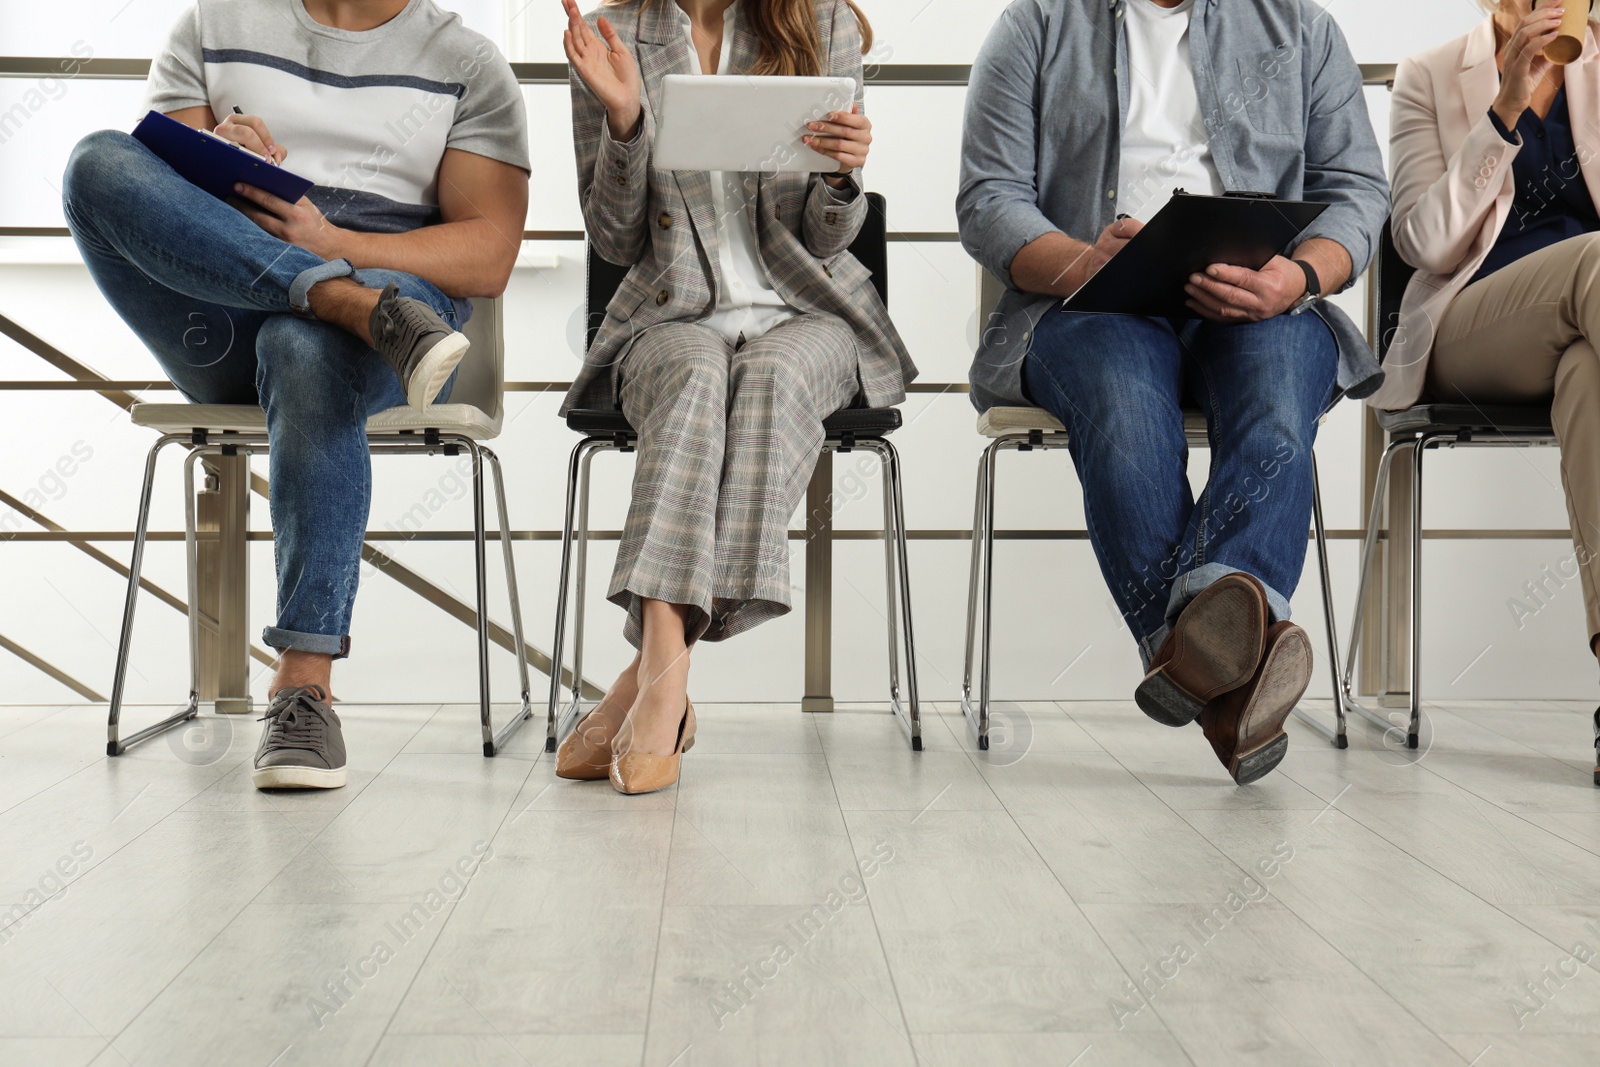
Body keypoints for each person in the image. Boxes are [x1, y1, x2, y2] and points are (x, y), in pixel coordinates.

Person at [61, 0, 530, 790]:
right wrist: (210, 155)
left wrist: (335, 247)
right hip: (222, 314)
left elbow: (488, 253)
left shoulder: (470, 63)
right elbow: (153, 196)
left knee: (300, 343)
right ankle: (333, 299)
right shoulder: (212, 24)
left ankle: (303, 686)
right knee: (94, 163)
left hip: (393, 322)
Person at [958, 0, 1389, 784]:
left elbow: (1358, 189)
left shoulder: (1302, 27)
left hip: (1261, 297)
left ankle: (1197, 654)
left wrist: (1297, 274)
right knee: (1126, 416)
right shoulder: (1036, 25)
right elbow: (989, 199)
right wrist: (1086, 262)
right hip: (1092, 302)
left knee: (1276, 411)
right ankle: (1240, 671)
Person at [556, 0, 914, 795]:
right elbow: (615, 240)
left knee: (772, 378)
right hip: (671, 312)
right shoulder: (614, 37)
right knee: (696, 375)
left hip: (809, 311)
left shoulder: (821, 26)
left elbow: (829, 237)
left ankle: (652, 680)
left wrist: (841, 175)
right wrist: (622, 121)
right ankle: (664, 679)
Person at [1376, 0, 1600, 787]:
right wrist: (1504, 108)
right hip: (1472, 324)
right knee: (1597, 261)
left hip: (1586, 329)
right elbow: (1422, 241)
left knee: (1590, 377)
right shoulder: (1429, 76)